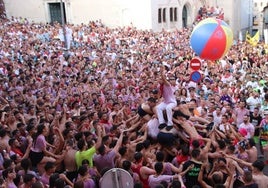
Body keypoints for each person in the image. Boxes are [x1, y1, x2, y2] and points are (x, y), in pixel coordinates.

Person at [156, 66, 177, 131]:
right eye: (158, 79)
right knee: (158, 107)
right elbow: (159, 94)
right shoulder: (159, 86)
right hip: (165, 102)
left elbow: (164, 79)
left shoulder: (167, 84)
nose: (159, 80)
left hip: (172, 102)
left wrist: (162, 73)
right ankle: (162, 123)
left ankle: (170, 124)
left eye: (160, 79)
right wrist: (159, 100)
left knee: (168, 108)